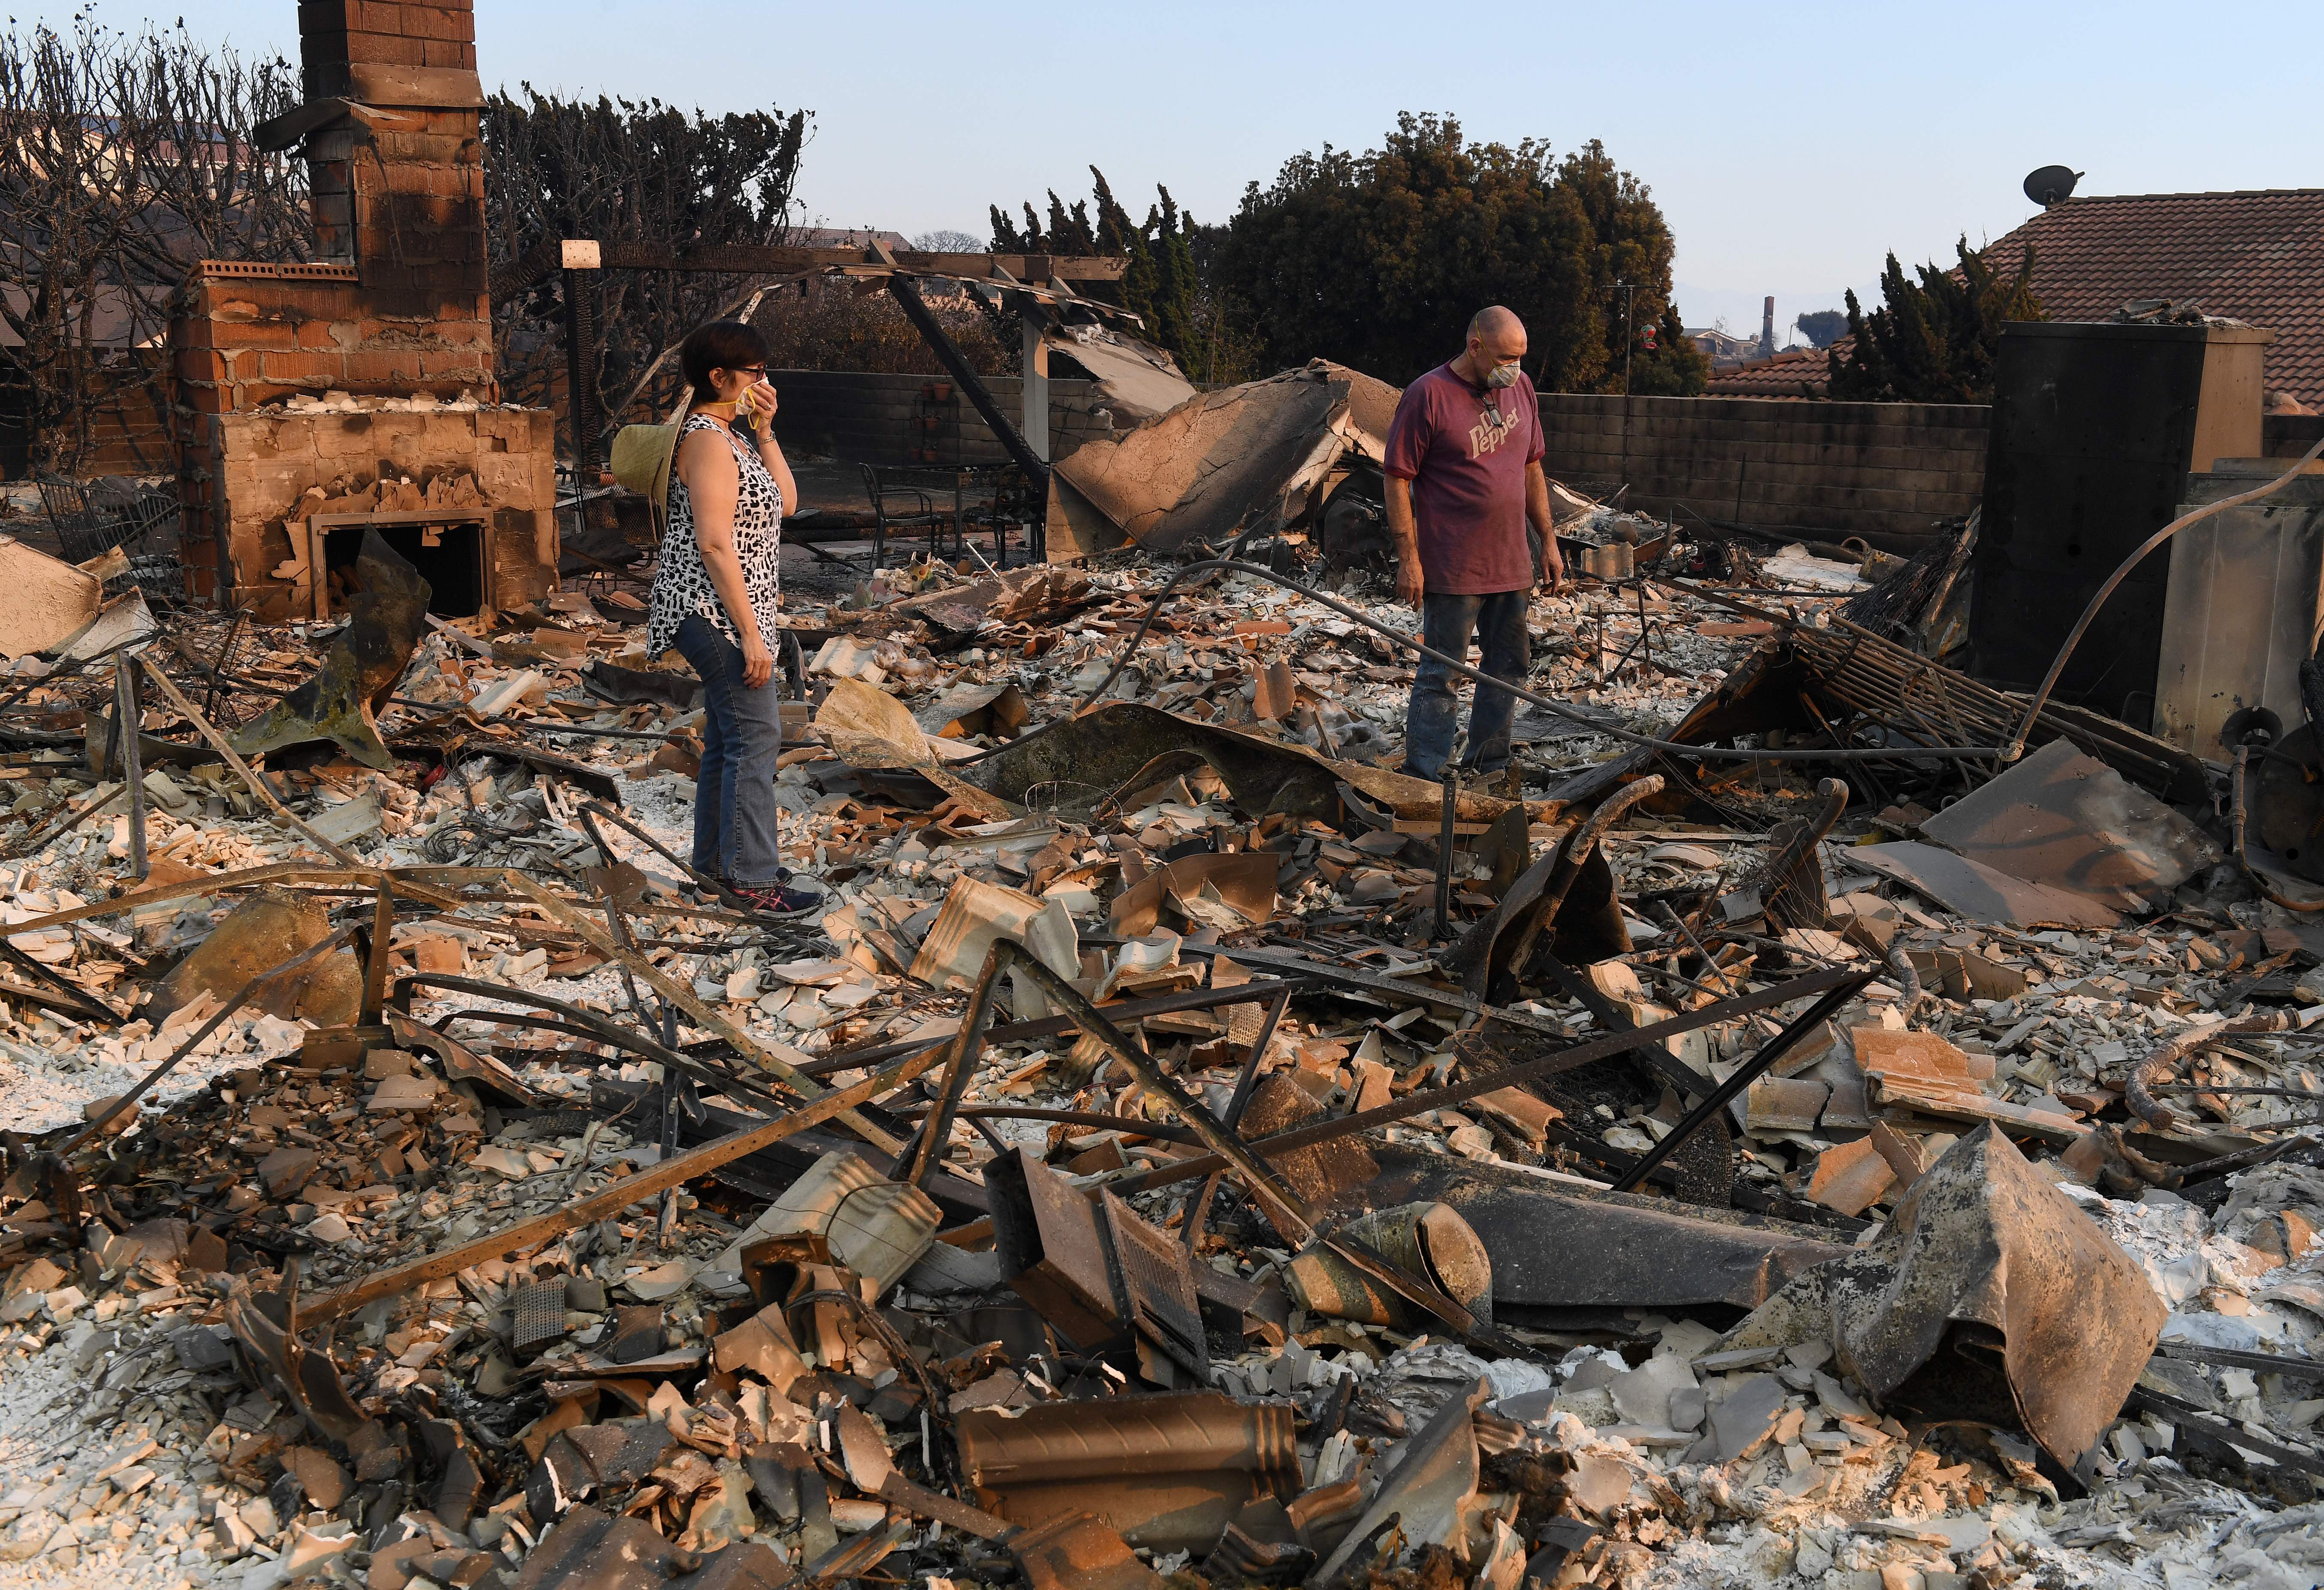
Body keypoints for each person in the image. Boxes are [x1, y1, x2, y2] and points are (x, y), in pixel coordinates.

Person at [644, 320, 819, 916]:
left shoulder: (733, 435)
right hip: (711, 612)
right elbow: (715, 543)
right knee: (757, 736)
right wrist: (750, 633)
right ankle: (750, 882)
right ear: (719, 377)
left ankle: (718, 873)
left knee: (728, 740)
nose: (763, 381)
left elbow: (787, 502)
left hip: (728, 611)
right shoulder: (707, 440)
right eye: (755, 373)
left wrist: (767, 431)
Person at [1383, 305, 1564, 784]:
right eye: (1506, 357)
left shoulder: (1520, 389)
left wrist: (1548, 539)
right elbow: (1398, 478)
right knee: (1442, 675)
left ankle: (1489, 767)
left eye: (1521, 357)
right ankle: (1423, 775)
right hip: (1453, 566)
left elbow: (1532, 467)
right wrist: (1409, 559)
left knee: (1508, 667)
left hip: (1511, 562)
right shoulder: (1429, 395)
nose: (1516, 368)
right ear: (1475, 346)